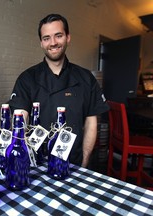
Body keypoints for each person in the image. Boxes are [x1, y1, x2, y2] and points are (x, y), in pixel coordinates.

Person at [9, 14, 109, 167]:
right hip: (36, 163)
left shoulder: (86, 78)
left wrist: (84, 162)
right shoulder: (27, 78)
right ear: (41, 43)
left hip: (74, 162)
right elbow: (20, 120)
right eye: (46, 38)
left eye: (58, 36)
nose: (53, 42)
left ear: (68, 37)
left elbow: (91, 123)